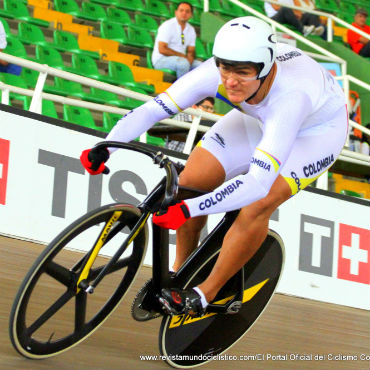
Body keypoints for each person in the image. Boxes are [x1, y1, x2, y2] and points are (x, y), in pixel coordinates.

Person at [80, 17, 347, 318]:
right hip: (258, 119)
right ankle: (179, 271)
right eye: (225, 68)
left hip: (315, 135)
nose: (230, 81)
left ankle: (207, 293)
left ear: (267, 68)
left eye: (242, 73)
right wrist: (105, 147)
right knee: (189, 182)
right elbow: (155, 108)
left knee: (257, 205)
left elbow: (258, 183)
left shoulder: (292, 98)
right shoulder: (218, 71)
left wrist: (188, 210)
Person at [151, 2, 202, 79]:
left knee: (201, 66)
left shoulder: (191, 30)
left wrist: (190, 60)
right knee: (183, 64)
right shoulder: (167, 25)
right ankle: (183, 89)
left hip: (181, 59)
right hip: (161, 59)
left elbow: (191, 51)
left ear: (191, 15)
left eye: (187, 11)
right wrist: (183, 56)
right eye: (181, 10)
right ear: (176, 12)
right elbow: (162, 49)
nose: (184, 13)